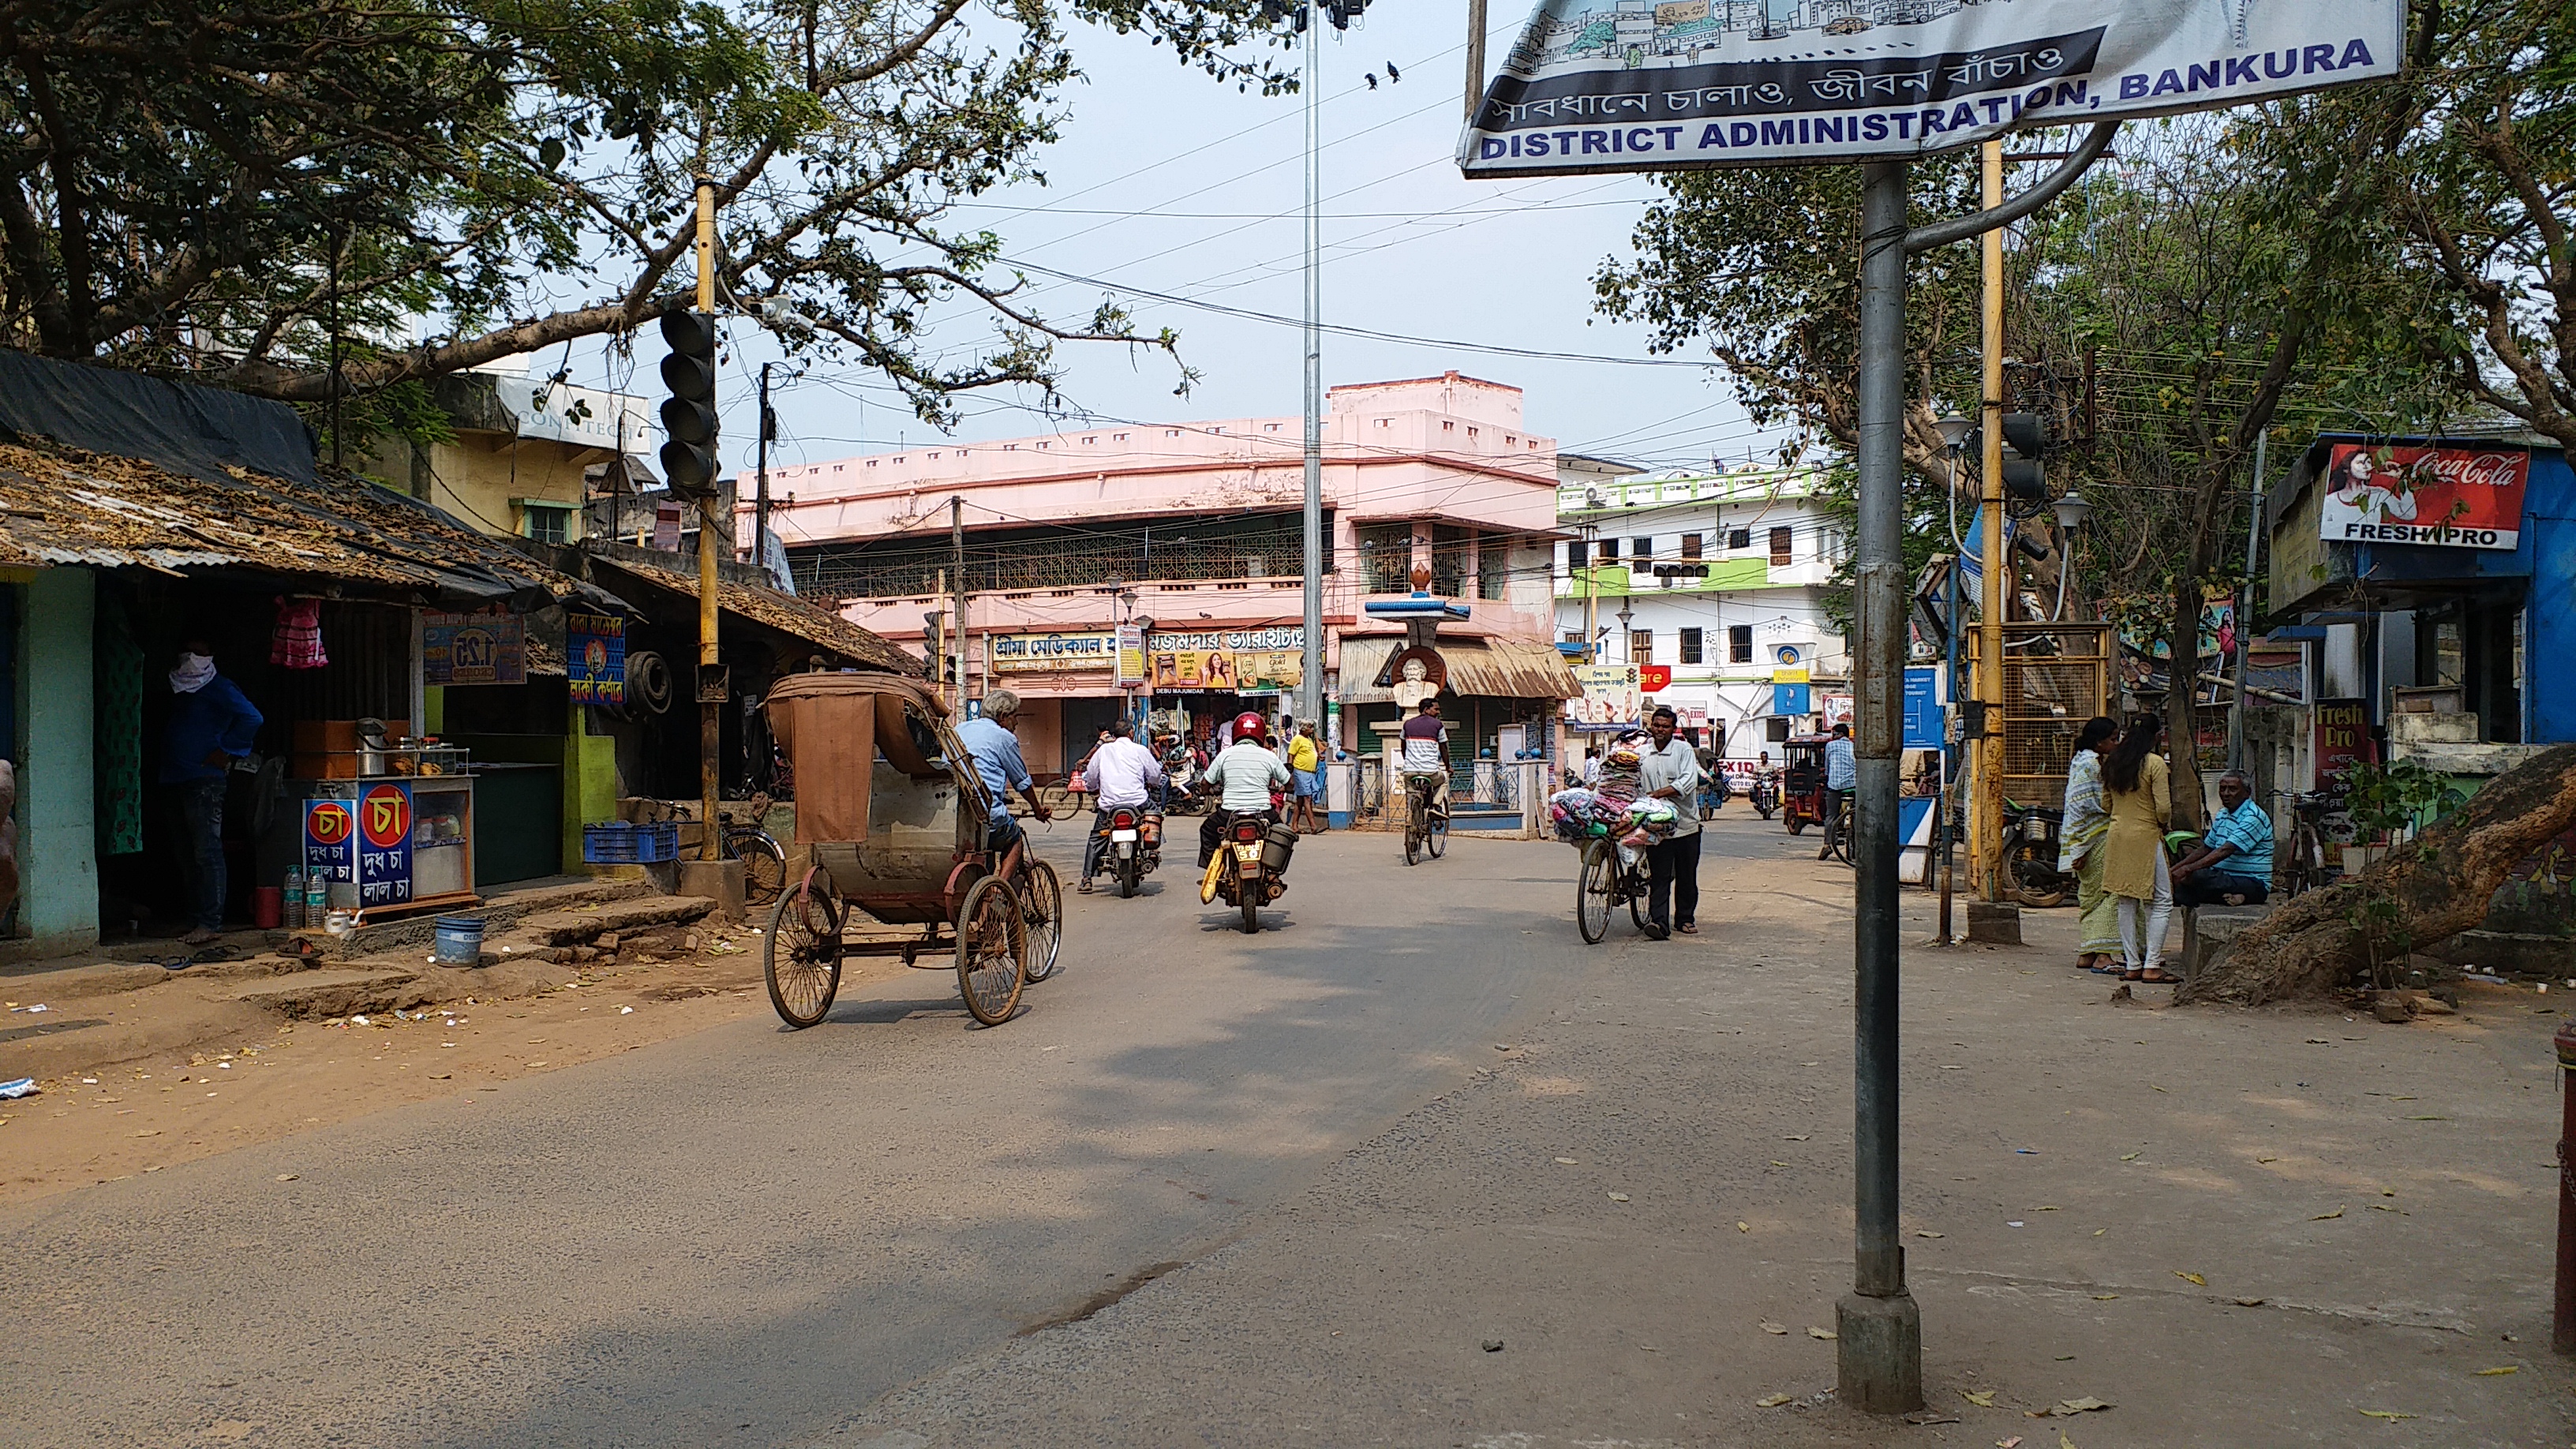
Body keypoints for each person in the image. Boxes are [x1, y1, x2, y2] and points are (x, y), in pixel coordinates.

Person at [160, 640, 262, 945]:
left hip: (205, 781)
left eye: (201, 654)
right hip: (175, 777)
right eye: (189, 652)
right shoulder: (177, 686)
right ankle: (195, 918)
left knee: (207, 852)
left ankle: (211, 922)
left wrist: (227, 750)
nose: (193, 659)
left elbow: (253, 718)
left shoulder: (219, 686)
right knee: (186, 853)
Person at [2101, 713, 2175, 983]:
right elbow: (2164, 808)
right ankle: (2152, 964)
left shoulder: (2113, 762)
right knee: (2163, 900)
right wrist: (2161, 823)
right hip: (2146, 835)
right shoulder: (2155, 764)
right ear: (2156, 736)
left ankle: (2132, 964)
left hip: (2117, 835)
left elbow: (2105, 805)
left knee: (2126, 900)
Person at [2057, 715, 2125, 972]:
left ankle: (2088, 950)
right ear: (2099, 742)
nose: (2116, 743)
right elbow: (2091, 804)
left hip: (2082, 838)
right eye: (2113, 739)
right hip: (2094, 837)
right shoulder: (2090, 766)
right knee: (2109, 892)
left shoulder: (2081, 761)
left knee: (2090, 894)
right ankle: (2104, 954)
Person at [953, 688, 1050, 861]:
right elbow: (1022, 782)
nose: (1017, 723)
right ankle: (1002, 886)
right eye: (1015, 717)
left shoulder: (959, 729)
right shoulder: (1004, 737)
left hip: (954, 816)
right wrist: (1038, 810)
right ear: (1003, 717)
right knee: (1015, 839)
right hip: (986, 816)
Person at [1636, 704, 1704, 938]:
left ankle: (1685, 918)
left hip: (1686, 825)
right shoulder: (1643, 753)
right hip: (1657, 827)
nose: (1660, 729)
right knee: (1660, 875)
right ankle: (1659, 923)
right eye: (1656, 725)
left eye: (1665, 726)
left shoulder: (1683, 750)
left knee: (1687, 875)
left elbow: (1687, 782)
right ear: (1651, 726)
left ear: (1673, 729)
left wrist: (1657, 794)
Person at [1076, 719, 1163, 893]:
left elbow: (1091, 776)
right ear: (1131, 733)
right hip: (1138, 803)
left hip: (1109, 806)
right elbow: (1155, 775)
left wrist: (1093, 789)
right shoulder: (1140, 750)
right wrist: (1154, 783)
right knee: (1156, 813)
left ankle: (1087, 879)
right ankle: (1153, 849)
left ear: (1114, 734)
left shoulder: (1103, 751)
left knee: (1096, 839)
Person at [1198, 711, 1291, 867]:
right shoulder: (1269, 756)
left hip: (1229, 814)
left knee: (1207, 831)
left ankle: (1214, 871)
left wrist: (1207, 791)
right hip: (1263, 813)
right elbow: (1290, 783)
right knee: (1282, 835)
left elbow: (1205, 783)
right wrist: (1282, 789)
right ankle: (1273, 875)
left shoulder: (1224, 755)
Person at [2172, 770, 2273, 906]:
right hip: (2223, 878)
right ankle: (2236, 898)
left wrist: (2188, 869)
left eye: (2232, 789)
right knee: (2181, 892)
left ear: (2247, 793)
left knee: (2196, 877)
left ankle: (2248, 896)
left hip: (2252, 882)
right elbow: (2207, 848)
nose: (2226, 794)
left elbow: (2225, 850)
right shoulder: (2223, 814)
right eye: (2223, 789)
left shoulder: (2254, 817)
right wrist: (2174, 870)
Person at [1400, 697, 1450, 819]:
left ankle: (1411, 816)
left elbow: (1403, 746)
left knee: (1411, 792)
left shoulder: (1407, 724)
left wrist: (1408, 761)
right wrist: (1448, 767)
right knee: (1443, 781)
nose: (1438, 712)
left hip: (1410, 771)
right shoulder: (1438, 725)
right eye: (1436, 709)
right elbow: (1444, 748)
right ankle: (1435, 806)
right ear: (1426, 709)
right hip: (1430, 771)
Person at [1819, 721, 1856, 860]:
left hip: (1835, 786)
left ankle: (1827, 844)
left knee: (1831, 815)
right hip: (1853, 786)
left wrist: (1827, 775)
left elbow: (1827, 766)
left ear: (1838, 734)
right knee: (1859, 813)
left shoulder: (1830, 745)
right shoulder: (1854, 746)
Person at [1286, 721, 1323, 834]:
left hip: (1309, 773)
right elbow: (1291, 755)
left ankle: (1294, 825)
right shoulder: (1297, 739)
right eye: (1310, 727)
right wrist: (1290, 771)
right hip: (1300, 772)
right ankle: (1313, 826)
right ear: (1303, 729)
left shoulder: (1309, 740)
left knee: (1300, 800)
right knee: (1308, 798)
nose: (1312, 730)